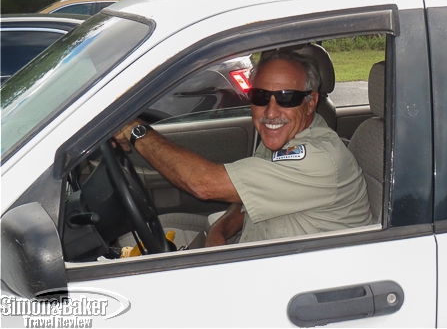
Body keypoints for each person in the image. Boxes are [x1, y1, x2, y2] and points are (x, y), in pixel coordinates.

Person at [113, 49, 373, 247]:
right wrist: (221, 230)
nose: (271, 112)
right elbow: (247, 198)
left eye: (286, 98)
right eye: (260, 97)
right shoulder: (283, 138)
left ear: (310, 102)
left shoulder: (317, 158)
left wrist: (135, 130)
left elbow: (203, 184)